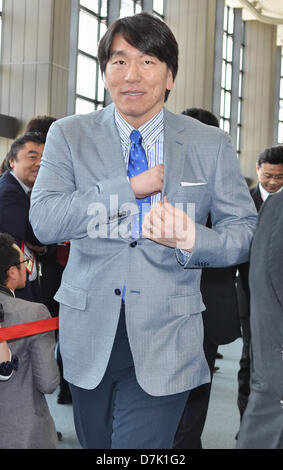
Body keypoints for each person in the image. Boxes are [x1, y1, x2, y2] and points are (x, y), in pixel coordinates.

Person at [30, 12, 257, 449]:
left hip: (168, 333)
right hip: (89, 331)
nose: (131, 75)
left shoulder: (209, 143)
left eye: (147, 62)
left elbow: (244, 230)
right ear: (104, 73)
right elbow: (47, 219)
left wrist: (191, 238)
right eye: (118, 62)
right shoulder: (69, 135)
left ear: (169, 75)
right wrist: (127, 189)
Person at [173, 108, 241, 449]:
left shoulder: (223, 185)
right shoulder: (165, 178)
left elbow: (237, 239)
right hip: (165, 304)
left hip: (205, 303)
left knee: (197, 386)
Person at [24, 115, 72, 405]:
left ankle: (65, 386)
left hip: (55, 264)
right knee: (48, 330)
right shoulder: (23, 183)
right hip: (45, 266)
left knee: (56, 329)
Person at [237, 145, 283, 421]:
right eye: (268, 176)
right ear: (258, 170)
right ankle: (247, 423)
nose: (273, 182)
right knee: (250, 358)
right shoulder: (243, 201)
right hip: (250, 293)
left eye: (279, 177)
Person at [0, 232, 59, 449]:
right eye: (24, 261)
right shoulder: (34, 314)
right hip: (24, 434)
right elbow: (48, 381)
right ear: (12, 272)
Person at [0, 132, 46, 302]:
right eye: (32, 156)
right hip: (12, 284)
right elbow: (32, 235)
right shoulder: (8, 193)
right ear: (12, 161)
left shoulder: (24, 191)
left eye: (44, 157)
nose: (40, 163)